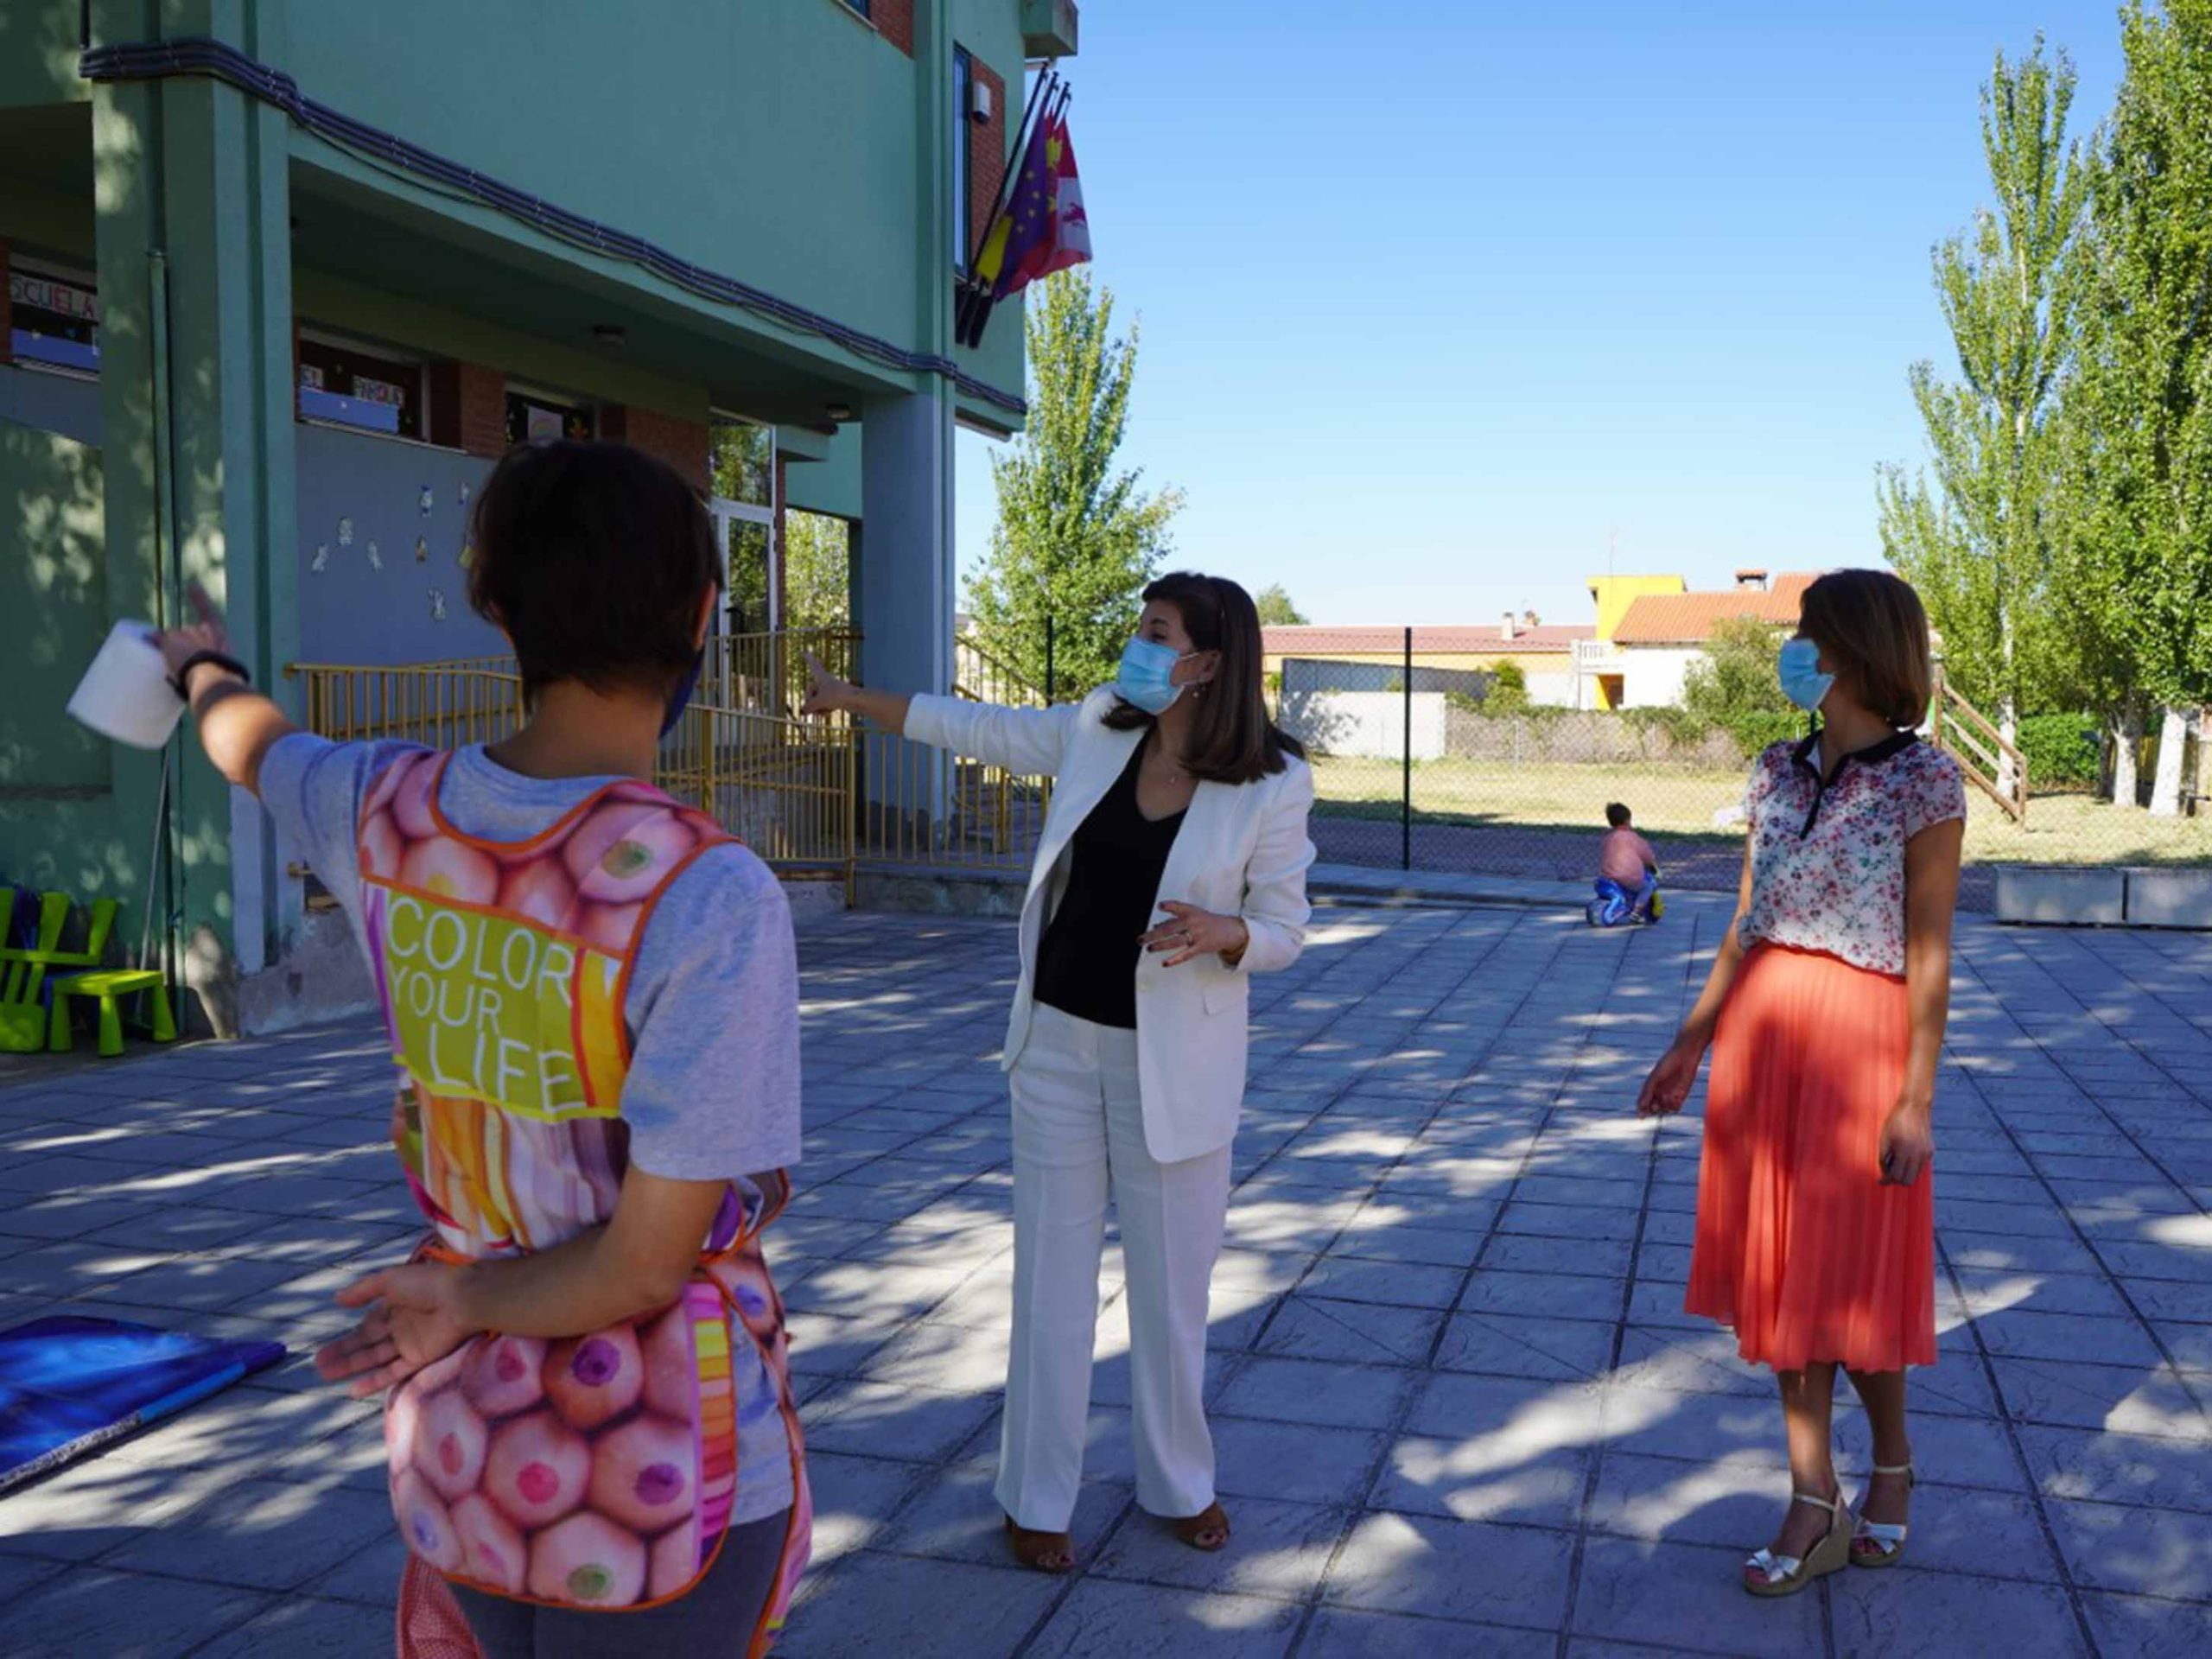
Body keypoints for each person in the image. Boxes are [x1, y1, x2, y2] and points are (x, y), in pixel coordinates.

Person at [154, 442, 810, 1657]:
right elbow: (647, 1262)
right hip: (661, 1472)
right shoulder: (708, 894)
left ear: (497, 607)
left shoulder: (383, 810)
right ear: (705, 614)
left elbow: (251, 743)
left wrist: (200, 668)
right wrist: (468, 1299)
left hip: (466, 1455)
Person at [803, 573, 1315, 1573]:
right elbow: (982, 728)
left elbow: (1289, 928)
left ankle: (1179, 1482)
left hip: (1176, 1067)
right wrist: (858, 701)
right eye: (1141, 626)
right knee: (1049, 1283)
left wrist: (1231, 932)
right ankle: (1035, 1495)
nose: (1137, 644)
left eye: (1155, 632)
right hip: (1054, 1047)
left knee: (1170, 1294)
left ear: (1208, 663)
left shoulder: (1274, 781)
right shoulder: (1099, 725)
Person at [1636, 568, 1964, 1599]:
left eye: (1807, 635)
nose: (1793, 650)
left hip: (1859, 1046)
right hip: (1765, 1045)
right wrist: (1690, 1041)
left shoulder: (1926, 782)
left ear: (1859, 650)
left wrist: (1915, 1097)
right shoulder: (1773, 772)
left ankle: (1893, 1467)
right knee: (1783, 1284)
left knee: (1853, 1284)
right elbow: (1746, 920)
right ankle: (1813, 1493)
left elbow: (1930, 947)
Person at [1591, 801, 1662, 925]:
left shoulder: (1608, 838)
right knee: (1647, 887)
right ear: (1628, 821)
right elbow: (1646, 854)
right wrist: (1651, 863)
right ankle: (1637, 912)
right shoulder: (1633, 838)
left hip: (1609, 877)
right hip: (1629, 878)